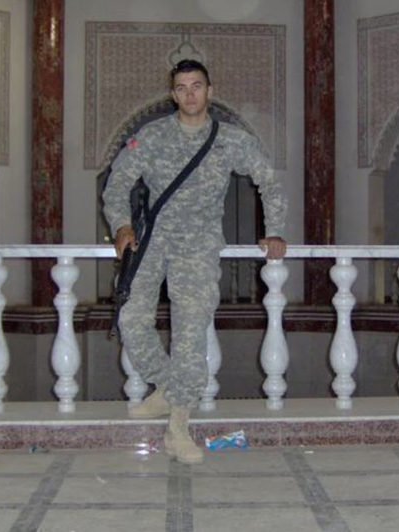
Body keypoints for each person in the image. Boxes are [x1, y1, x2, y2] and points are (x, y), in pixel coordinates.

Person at [102, 59, 287, 465]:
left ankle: (178, 427)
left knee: (189, 332)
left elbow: (268, 180)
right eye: (182, 87)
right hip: (151, 242)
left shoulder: (230, 140)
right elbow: (117, 183)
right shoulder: (151, 137)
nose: (189, 94)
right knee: (131, 318)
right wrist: (120, 225)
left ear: (209, 90)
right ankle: (168, 388)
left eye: (196, 86)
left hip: (199, 247)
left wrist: (274, 229)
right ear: (173, 94)